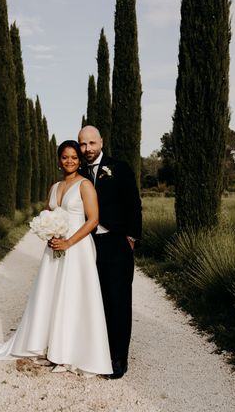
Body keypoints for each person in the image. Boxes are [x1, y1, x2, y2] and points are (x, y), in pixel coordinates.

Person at [0, 140, 112, 376]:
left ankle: (68, 354)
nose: (70, 161)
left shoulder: (85, 186)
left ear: (79, 160)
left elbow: (93, 220)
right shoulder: (54, 188)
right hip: (55, 248)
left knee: (72, 296)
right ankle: (50, 346)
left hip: (78, 247)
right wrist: (48, 234)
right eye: (65, 157)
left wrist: (68, 242)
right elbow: (47, 214)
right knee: (52, 294)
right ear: (59, 160)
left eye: (74, 157)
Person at [77, 125, 142, 379]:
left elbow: (134, 204)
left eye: (92, 143)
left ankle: (118, 359)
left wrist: (131, 237)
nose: (87, 149)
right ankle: (96, 351)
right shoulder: (78, 171)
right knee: (95, 299)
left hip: (116, 243)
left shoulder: (120, 168)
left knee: (118, 301)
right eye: (83, 144)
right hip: (88, 245)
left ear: (101, 142)